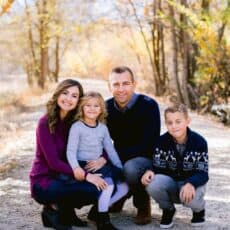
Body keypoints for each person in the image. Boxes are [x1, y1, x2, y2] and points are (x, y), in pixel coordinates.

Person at [29, 79, 107, 230]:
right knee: (87, 187)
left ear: (79, 101)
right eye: (65, 93)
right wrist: (86, 175)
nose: (68, 99)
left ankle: (66, 210)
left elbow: (101, 141)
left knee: (94, 190)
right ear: (58, 94)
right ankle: (52, 210)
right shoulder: (45, 123)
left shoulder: (77, 122)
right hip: (44, 180)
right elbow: (54, 163)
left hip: (66, 177)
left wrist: (103, 158)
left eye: (74, 96)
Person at [141, 100, 209, 229]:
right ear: (166, 124)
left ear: (187, 121)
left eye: (178, 121)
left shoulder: (199, 142)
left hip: (190, 184)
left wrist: (191, 183)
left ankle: (198, 210)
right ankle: (168, 209)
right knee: (152, 182)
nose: (174, 126)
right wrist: (150, 171)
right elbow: (157, 166)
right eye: (170, 123)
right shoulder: (162, 141)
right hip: (172, 184)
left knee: (193, 197)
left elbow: (202, 172)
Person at [106, 66, 161, 225]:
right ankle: (120, 195)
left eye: (126, 83)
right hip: (121, 156)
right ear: (110, 86)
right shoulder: (106, 108)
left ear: (134, 84)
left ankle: (142, 204)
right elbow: (99, 139)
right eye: (116, 84)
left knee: (129, 168)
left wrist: (115, 158)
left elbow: (149, 144)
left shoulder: (149, 105)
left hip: (145, 159)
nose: (121, 89)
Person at [66, 91, 129, 230]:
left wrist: (119, 167)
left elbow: (110, 150)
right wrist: (76, 168)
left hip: (100, 164)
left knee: (124, 187)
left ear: (101, 109)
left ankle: (97, 211)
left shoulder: (103, 128)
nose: (92, 108)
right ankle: (103, 220)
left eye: (96, 106)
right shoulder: (77, 127)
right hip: (84, 165)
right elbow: (70, 151)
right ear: (82, 107)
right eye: (88, 105)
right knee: (109, 185)